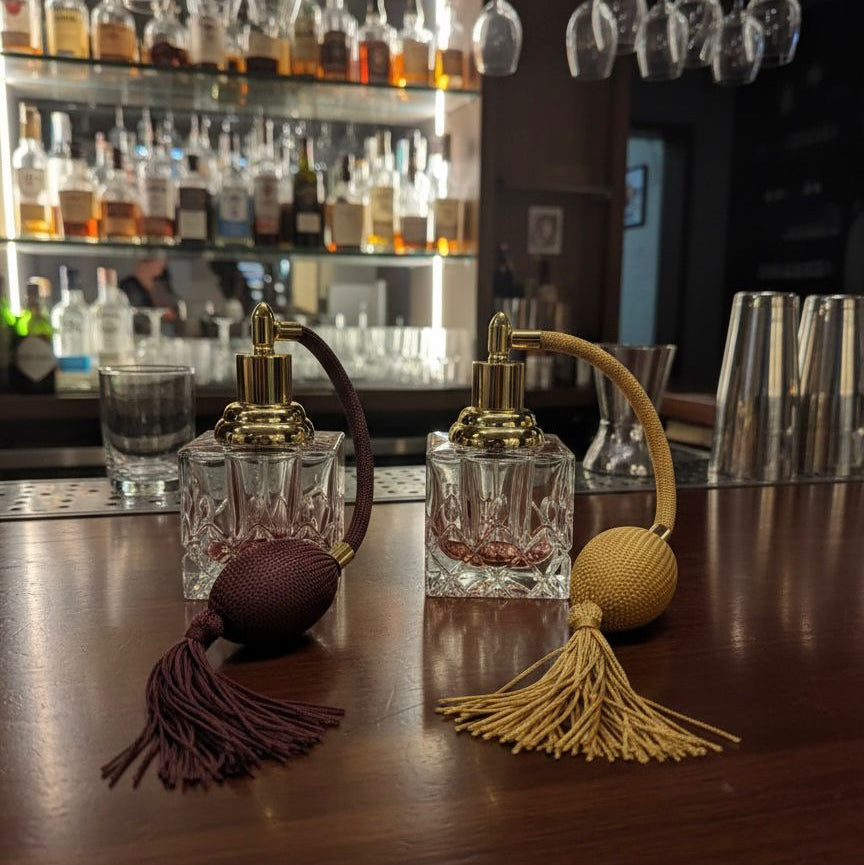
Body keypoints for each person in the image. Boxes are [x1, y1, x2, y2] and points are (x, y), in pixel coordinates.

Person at [119, 254, 180, 334]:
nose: (163, 264)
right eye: (159, 261)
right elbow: (136, 319)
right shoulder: (129, 286)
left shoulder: (161, 282)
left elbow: (172, 311)